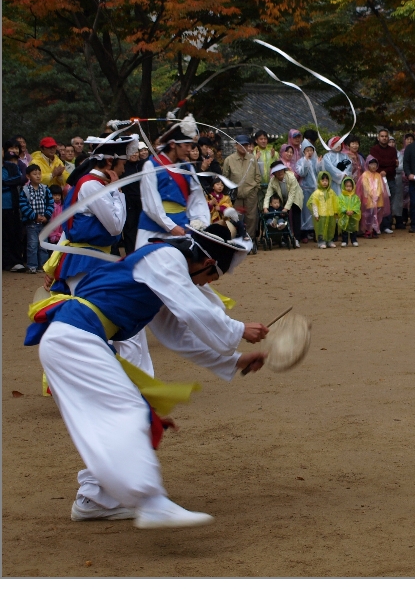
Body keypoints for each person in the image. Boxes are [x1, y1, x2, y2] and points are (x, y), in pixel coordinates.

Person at [27, 217, 269, 528]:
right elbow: (195, 309)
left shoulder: (158, 266)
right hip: (75, 340)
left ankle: (94, 497)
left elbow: (177, 335)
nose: (204, 286)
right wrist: (238, 330)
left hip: (75, 341)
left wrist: (233, 360)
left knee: (123, 414)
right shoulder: (165, 258)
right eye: (209, 279)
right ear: (207, 262)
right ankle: (151, 502)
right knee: (127, 411)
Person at [44, 135, 135, 295]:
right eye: (123, 164)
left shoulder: (92, 183)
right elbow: (115, 227)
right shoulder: (91, 186)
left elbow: (71, 226)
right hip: (85, 261)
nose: (124, 170)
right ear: (109, 162)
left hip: (93, 258)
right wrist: (117, 192)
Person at [137, 120, 209, 251]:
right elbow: (150, 202)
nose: (189, 149)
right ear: (172, 144)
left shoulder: (188, 168)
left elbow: (197, 199)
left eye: (191, 145)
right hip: (154, 229)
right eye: (186, 145)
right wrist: (171, 226)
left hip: (182, 227)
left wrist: (200, 223)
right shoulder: (151, 166)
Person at [221, 134, 261, 249]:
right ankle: (238, 240)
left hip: (251, 193)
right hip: (235, 194)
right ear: (236, 145)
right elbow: (225, 177)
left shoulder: (252, 158)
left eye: (246, 145)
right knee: (235, 218)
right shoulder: (229, 160)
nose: (244, 147)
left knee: (251, 218)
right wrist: (230, 192)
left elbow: (258, 175)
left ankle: (251, 240)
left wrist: (255, 188)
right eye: (241, 144)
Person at [20, 164, 55, 273]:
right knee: (32, 244)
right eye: (35, 174)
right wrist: (35, 216)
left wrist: (46, 216)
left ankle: (43, 265)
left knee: (43, 245)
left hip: (44, 223)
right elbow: (23, 205)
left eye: (39, 173)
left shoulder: (45, 189)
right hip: (31, 223)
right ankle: (32, 266)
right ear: (28, 176)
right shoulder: (25, 190)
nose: (38, 176)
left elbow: (51, 203)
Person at [264, 162, 304, 246]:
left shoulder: (291, 177)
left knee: (296, 215)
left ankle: (296, 239)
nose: (280, 172)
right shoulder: (272, 181)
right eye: (277, 171)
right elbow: (268, 194)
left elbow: (292, 194)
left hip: (296, 196)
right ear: (274, 173)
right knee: (283, 216)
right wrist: (265, 207)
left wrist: (286, 208)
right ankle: (286, 237)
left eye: (281, 170)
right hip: (283, 198)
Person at [369, 128, 398, 234]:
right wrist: (389, 164)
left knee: (389, 203)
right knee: (378, 202)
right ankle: (377, 225)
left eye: (386, 136)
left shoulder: (392, 150)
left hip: (390, 178)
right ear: (378, 137)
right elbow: (376, 162)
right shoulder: (374, 150)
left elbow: (394, 165)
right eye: (382, 136)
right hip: (376, 179)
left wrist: (386, 169)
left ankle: (387, 225)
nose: (384, 138)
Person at [3, 141, 26, 272]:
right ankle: (5, 262)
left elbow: (18, 179)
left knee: (13, 234)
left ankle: (15, 261)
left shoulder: (10, 167)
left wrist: (4, 183)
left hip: (11, 206)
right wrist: (8, 184)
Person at [120, 141, 147, 254]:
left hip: (142, 202)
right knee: (130, 230)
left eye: (136, 152)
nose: (135, 155)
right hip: (129, 202)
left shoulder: (142, 165)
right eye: (132, 152)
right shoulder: (123, 167)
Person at [356, 155, 390, 239]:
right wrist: (372, 195)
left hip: (378, 200)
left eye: (375, 164)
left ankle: (374, 230)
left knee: (377, 215)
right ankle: (367, 231)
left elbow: (380, 186)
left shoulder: (378, 175)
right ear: (367, 165)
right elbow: (365, 186)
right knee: (368, 215)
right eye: (371, 164)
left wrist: (377, 195)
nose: (373, 166)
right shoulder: (365, 175)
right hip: (369, 200)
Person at [307, 171, 339, 248]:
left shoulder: (331, 192)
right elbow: (314, 204)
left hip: (330, 214)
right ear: (319, 181)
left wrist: (336, 212)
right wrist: (316, 214)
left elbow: (335, 202)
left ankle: (329, 241)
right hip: (321, 215)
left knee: (330, 228)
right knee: (321, 229)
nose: (325, 182)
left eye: (326, 180)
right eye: (323, 180)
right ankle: (321, 242)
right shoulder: (317, 193)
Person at [297, 138, 318, 242]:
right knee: (305, 212)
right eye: (307, 150)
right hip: (305, 189)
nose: (309, 152)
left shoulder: (315, 161)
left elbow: (319, 173)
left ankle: (315, 232)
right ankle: (304, 233)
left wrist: (319, 164)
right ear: (303, 152)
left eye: (311, 150)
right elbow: (302, 173)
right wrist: (305, 161)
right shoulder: (300, 161)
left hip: (316, 189)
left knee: (315, 211)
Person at [338, 176, 362, 246]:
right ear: (343, 186)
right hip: (344, 215)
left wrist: (353, 211)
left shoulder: (355, 197)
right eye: (346, 186)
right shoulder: (341, 197)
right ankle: (344, 241)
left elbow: (357, 205)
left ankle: (354, 240)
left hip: (353, 216)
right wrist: (345, 211)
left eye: (350, 186)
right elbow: (340, 205)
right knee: (344, 228)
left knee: (353, 228)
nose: (348, 188)